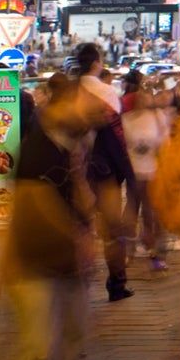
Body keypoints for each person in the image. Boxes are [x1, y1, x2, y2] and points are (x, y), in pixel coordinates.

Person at [0, 74, 110, 360]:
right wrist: (78, 238)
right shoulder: (38, 146)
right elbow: (38, 207)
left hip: (68, 263)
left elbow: (80, 195)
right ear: (64, 105)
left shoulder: (73, 143)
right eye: (83, 106)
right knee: (31, 349)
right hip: (34, 264)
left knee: (72, 346)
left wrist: (88, 225)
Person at [77, 44, 135, 302]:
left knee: (79, 227)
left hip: (73, 172)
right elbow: (118, 137)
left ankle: (77, 285)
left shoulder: (71, 93)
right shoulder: (107, 92)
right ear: (96, 63)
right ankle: (116, 284)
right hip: (104, 174)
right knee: (112, 231)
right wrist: (126, 172)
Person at [120, 79, 169, 272]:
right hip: (134, 173)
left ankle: (154, 252)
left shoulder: (158, 117)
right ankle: (128, 251)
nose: (143, 99)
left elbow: (165, 144)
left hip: (154, 173)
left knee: (152, 214)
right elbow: (123, 146)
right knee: (131, 212)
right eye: (140, 96)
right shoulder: (127, 119)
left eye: (146, 96)